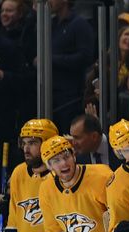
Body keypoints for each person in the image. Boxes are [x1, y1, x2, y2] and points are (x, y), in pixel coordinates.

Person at [0, 119, 58, 232]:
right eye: (24, 143)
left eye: (33, 143)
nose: (26, 149)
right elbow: (14, 220)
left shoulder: (60, 174)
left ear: (48, 143)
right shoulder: (18, 173)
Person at [0, 0, 37, 182]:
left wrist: (4, 76)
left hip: (6, 116)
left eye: (10, 10)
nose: (5, 14)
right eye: (3, 10)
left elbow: (29, 81)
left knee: (1, 161)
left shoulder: (9, 47)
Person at [48, 0, 95, 133]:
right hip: (50, 91)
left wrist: (51, 59)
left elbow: (85, 57)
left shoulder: (79, 24)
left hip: (70, 95)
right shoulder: (50, 24)